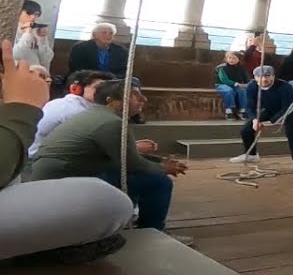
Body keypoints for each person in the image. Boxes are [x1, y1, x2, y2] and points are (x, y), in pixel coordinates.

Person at [0, 41, 135, 266]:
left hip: (23, 167)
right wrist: (21, 107)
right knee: (104, 200)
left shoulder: (88, 112)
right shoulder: (72, 109)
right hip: (37, 164)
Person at [28, 78, 191, 241]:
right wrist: (163, 168)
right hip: (64, 178)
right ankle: (153, 232)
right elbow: (132, 164)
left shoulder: (95, 115)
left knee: (133, 177)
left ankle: (124, 223)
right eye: (135, 95)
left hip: (59, 173)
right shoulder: (111, 123)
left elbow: (123, 155)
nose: (144, 99)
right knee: (158, 182)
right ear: (111, 101)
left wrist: (159, 161)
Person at [232, 66, 293, 173]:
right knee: (246, 130)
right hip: (270, 110)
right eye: (260, 76)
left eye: (267, 76)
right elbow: (249, 106)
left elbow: (287, 107)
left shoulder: (285, 87)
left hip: (291, 111)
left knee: (291, 132)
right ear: (255, 77)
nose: (264, 79)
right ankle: (252, 155)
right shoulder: (252, 86)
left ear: (273, 76)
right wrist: (254, 120)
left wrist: (269, 122)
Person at [29, 69, 117, 158]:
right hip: (40, 160)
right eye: (98, 88)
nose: (104, 93)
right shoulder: (78, 111)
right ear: (76, 89)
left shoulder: (59, 102)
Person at [13, 0, 53, 73]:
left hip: (37, 74)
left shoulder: (36, 31)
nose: (33, 17)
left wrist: (42, 40)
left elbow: (46, 59)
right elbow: (15, 56)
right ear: (18, 12)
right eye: (28, 13)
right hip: (18, 74)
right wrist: (27, 35)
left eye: (36, 14)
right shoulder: (10, 29)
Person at [215, 50, 251, 120]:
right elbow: (224, 80)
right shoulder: (222, 68)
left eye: (234, 58)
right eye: (230, 58)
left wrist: (248, 84)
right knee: (229, 91)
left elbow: (247, 78)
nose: (231, 60)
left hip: (237, 85)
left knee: (243, 91)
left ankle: (242, 110)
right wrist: (236, 84)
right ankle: (229, 110)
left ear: (239, 59)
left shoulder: (241, 68)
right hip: (222, 85)